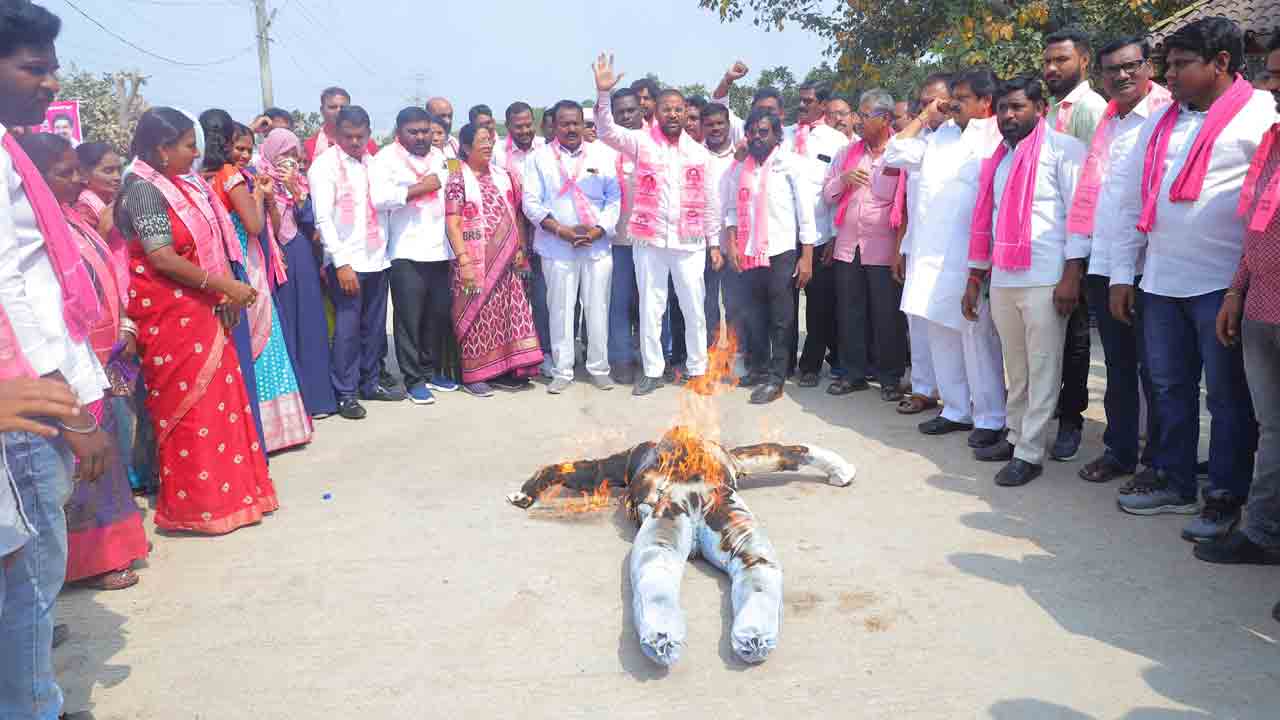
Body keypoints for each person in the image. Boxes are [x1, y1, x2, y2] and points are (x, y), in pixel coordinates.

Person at [1109, 17, 1273, 541]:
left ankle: (1225, 492)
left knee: (1227, 397)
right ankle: (1175, 480)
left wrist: (1241, 286)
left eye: (1181, 65)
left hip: (1223, 285)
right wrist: (1122, 273)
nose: (1169, 76)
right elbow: (1132, 199)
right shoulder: (1162, 122)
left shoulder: (1260, 114)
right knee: (1168, 386)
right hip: (1161, 280)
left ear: (1221, 63)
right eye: (1169, 65)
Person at [0, 6, 113, 714]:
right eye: (32, 68)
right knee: (33, 577)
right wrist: (71, 412)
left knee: (26, 575)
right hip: (28, 405)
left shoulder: (13, 152)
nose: (50, 82)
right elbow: (12, 292)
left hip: (38, 392)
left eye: (52, 68)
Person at [116, 106, 277, 535]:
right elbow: (161, 256)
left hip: (201, 305)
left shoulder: (176, 184)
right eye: (189, 146)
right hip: (172, 314)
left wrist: (221, 288)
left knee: (219, 400)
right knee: (190, 409)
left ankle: (234, 495)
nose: (196, 154)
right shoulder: (143, 190)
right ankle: (199, 506)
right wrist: (220, 284)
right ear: (162, 149)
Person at [19, 132, 149, 591]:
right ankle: (91, 561)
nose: (78, 180)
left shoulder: (70, 220)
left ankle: (117, 544)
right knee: (83, 467)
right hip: (65, 364)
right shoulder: (31, 232)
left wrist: (126, 324)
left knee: (113, 440)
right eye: (65, 173)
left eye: (78, 170)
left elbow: (106, 274)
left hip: (104, 352)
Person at [963, 76, 1087, 487]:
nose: (1008, 116)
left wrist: (1072, 274)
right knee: (1015, 368)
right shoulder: (1000, 158)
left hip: (1046, 278)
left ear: (1041, 109)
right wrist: (977, 276)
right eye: (1002, 109)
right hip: (1003, 277)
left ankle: (1031, 452)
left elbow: (1079, 217)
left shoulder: (1064, 150)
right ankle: (1015, 436)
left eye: (1017, 107)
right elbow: (991, 220)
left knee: (1043, 367)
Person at [888, 70, 1010, 448]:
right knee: (938, 332)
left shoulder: (996, 136)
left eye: (961, 97)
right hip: (929, 255)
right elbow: (894, 152)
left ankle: (990, 417)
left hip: (969, 257)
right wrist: (925, 117)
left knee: (976, 339)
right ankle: (956, 410)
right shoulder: (938, 134)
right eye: (951, 97)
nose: (952, 104)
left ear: (985, 102)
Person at [1069, 37, 1172, 483]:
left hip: (1151, 268)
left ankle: (1160, 461)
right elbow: (1104, 198)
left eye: (1131, 66)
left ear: (1148, 67)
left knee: (1159, 370)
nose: (1123, 75)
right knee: (1118, 365)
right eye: (1113, 69)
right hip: (1104, 261)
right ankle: (1121, 449)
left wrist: (1127, 273)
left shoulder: (1167, 117)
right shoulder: (1109, 123)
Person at [1196, 33, 1280, 570]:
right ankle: (1263, 533)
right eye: (1271, 75)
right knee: (1271, 430)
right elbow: (1259, 223)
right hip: (1261, 309)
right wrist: (1236, 290)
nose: (1274, 88)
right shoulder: (1274, 140)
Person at [594, 53, 722, 397]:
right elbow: (606, 130)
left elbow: (711, 203)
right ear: (657, 113)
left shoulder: (700, 153)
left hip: (689, 243)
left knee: (694, 307)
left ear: (685, 113)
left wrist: (714, 244)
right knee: (652, 306)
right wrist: (603, 93)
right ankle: (652, 370)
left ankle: (697, 370)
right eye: (666, 108)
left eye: (679, 109)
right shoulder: (641, 142)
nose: (673, 114)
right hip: (649, 241)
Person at [207, 118, 314, 452]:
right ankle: (267, 429)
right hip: (243, 261)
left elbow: (271, 223)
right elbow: (253, 224)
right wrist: (257, 194)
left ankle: (276, 427)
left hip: (256, 259)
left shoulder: (237, 177)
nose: (243, 154)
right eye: (238, 148)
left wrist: (268, 198)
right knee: (260, 338)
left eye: (248, 149)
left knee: (268, 336)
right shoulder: (231, 178)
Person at [310, 105, 402, 419]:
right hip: (347, 262)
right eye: (347, 136)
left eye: (360, 136)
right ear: (335, 133)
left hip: (377, 258)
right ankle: (345, 393)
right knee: (347, 330)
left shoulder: (372, 163)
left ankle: (370, 382)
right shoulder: (324, 167)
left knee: (374, 329)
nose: (354, 142)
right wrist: (341, 263)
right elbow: (323, 218)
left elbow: (385, 202)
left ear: (368, 133)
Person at [522, 100, 621, 394]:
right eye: (563, 123)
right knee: (560, 308)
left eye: (575, 122)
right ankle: (562, 369)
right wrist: (561, 231)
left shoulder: (603, 154)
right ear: (553, 126)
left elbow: (614, 198)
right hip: (557, 247)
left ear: (583, 123)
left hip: (596, 246)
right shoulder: (538, 158)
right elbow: (531, 202)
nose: (570, 128)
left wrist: (597, 230)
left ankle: (599, 368)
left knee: (597, 307)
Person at [1042, 28, 1108, 462]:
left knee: (1076, 338)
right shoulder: (1051, 109)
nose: (1051, 69)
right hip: (1051, 241)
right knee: (1052, 335)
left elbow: (1092, 185)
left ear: (1083, 62)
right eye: (1047, 61)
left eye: (1061, 61)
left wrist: (1078, 260)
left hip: (1080, 243)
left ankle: (1071, 420)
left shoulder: (1089, 109)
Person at [724, 109, 816, 404]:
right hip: (749, 252)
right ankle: (759, 369)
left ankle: (777, 378)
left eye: (763, 132)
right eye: (751, 132)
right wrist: (734, 246)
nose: (756, 137)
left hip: (781, 252)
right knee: (755, 316)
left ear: (777, 135)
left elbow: (805, 214)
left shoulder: (790, 165)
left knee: (781, 318)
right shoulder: (741, 168)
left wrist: (807, 257)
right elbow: (730, 209)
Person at [823, 89, 909, 401]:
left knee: (887, 314)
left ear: (885, 119)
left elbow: (908, 204)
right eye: (858, 113)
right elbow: (828, 194)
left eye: (864, 114)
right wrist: (843, 178)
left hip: (883, 247)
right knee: (850, 311)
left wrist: (900, 250)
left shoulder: (900, 153)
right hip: (848, 245)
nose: (858, 120)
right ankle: (853, 373)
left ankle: (889, 377)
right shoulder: (847, 153)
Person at [444, 123, 543, 393]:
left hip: (507, 261)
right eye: (481, 141)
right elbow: (452, 222)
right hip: (473, 261)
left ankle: (505, 369)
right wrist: (463, 260)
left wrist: (521, 247)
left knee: (505, 316)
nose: (487, 145)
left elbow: (517, 214)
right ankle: (474, 376)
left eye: (490, 140)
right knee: (476, 317)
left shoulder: (503, 175)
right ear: (465, 147)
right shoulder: (457, 178)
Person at [371, 107, 457, 405]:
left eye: (425, 131)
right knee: (409, 319)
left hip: (440, 249)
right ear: (400, 132)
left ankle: (431, 370)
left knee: (437, 315)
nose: (421, 137)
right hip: (405, 251)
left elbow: (457, 184)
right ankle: (412, 379)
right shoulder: (385, 159)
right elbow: (379, 199)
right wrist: (420, 188)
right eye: (414, 132)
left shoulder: (444, 156)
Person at [254, 128, 338, 418]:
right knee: (286, 323)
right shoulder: (258, 180)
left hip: (301, 255)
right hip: (274, 258)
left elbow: (312, 221)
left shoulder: (301, 182)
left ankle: (318, 398)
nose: (289, 160)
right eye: (283, 154)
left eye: (293, 154)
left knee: (311, 323)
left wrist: (295, 191)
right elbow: (266, 228)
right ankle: (293, 403)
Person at [889, 74, 952, 414]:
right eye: (923, 102)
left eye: (936, 101)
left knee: (949, 326)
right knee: (918, 321)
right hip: (917, 244)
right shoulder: (923, 139)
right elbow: (893, 152)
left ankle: (957, 397)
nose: (929, 108)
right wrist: (903, 246)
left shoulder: (961, 138)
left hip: (950, 249)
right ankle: (924, 389)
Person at [794, 89, 852, 389]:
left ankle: (811, 365)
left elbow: (839, 193)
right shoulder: (785, 136)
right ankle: (783, 360)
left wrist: (833, 236)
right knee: (784, 304)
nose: (802, 105)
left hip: (820, 235)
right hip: (783, 233)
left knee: (819, 304)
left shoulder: (837, 142)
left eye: (809, 101)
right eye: (800, 100)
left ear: (824, 105)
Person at [605, 87, 646, 385]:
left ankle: (652, 358)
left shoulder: (655, 143)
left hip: (649, 242)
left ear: (641, 110)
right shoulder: (603, 147)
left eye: (631, 110)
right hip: (614, 242)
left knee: (651, 303)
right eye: (620, 112)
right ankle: (620, 359)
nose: (627, 116)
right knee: (617, 303)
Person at [304, 86, 379, 164]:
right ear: (322, 110)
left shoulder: (368, 144)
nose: (338, 111)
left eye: (343, 107)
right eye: (332, 107)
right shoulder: (311, 144)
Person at [73, 141, 121, 237]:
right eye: (108, 171)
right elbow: (86, 250)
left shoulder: (112, 199)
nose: (118, 177)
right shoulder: (84, 210)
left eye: (119, 170)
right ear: (84, 174)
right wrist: (103, 230)